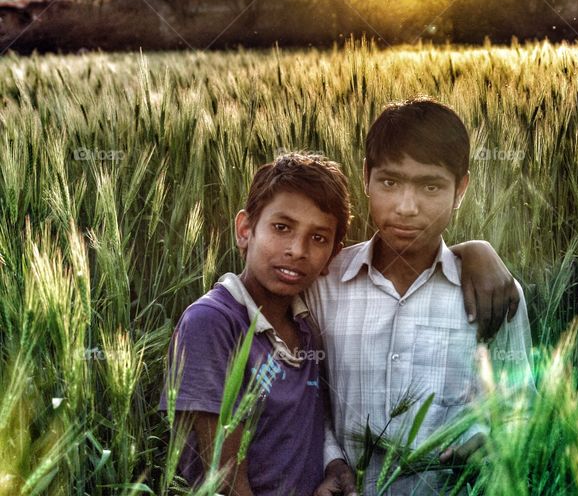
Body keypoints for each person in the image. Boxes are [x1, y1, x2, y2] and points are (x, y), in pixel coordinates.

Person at [161, 153, 519, 496]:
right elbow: (221, 481)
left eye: (318, 238)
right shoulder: (213, 323)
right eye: (281, 227)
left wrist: (331, 468)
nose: (297, 250)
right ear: (244, 229)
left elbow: (307, 429)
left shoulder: (304, 326)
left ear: (333, 254)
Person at [308, 98, 533, 495]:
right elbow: (305, 397)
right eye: (389, 182)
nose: (406, 207)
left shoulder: (498, 296)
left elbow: (520, 409)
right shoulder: (323, 285)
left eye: (431, 186)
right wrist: (332, 458)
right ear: (366, 176)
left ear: (460, 188)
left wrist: (490, 439)